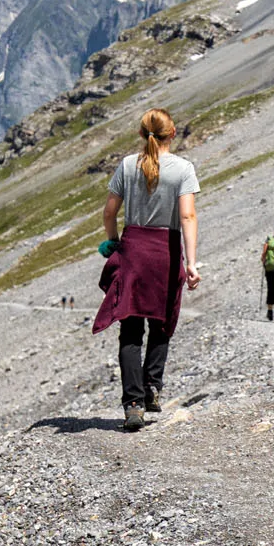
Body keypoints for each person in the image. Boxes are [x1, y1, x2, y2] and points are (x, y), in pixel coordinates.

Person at [92, 108, 201, 431]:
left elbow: (110, 212)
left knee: (130, 329)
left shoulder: (127, 166)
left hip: (134, 250)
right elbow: (187, 218)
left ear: (142, 134)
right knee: (162, 321)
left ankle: (134, 404)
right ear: (173, 132)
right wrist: (191, 262)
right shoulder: (183, 169)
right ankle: (153, 385)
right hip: (165, 252)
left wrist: (113, 242)